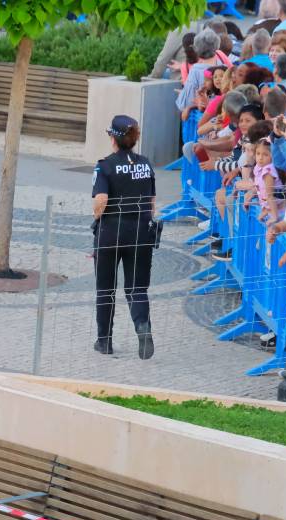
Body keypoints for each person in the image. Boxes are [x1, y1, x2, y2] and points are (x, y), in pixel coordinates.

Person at [91, 115, 157, 359]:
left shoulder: (105, 166)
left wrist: (98, 217)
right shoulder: (145, 164)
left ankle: (104, 340)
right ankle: (143, 328)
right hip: (140, 231)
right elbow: (152, 203)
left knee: (105, 288)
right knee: (137, 287)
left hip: (111, 232)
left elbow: (101, 200)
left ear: (114, 138)